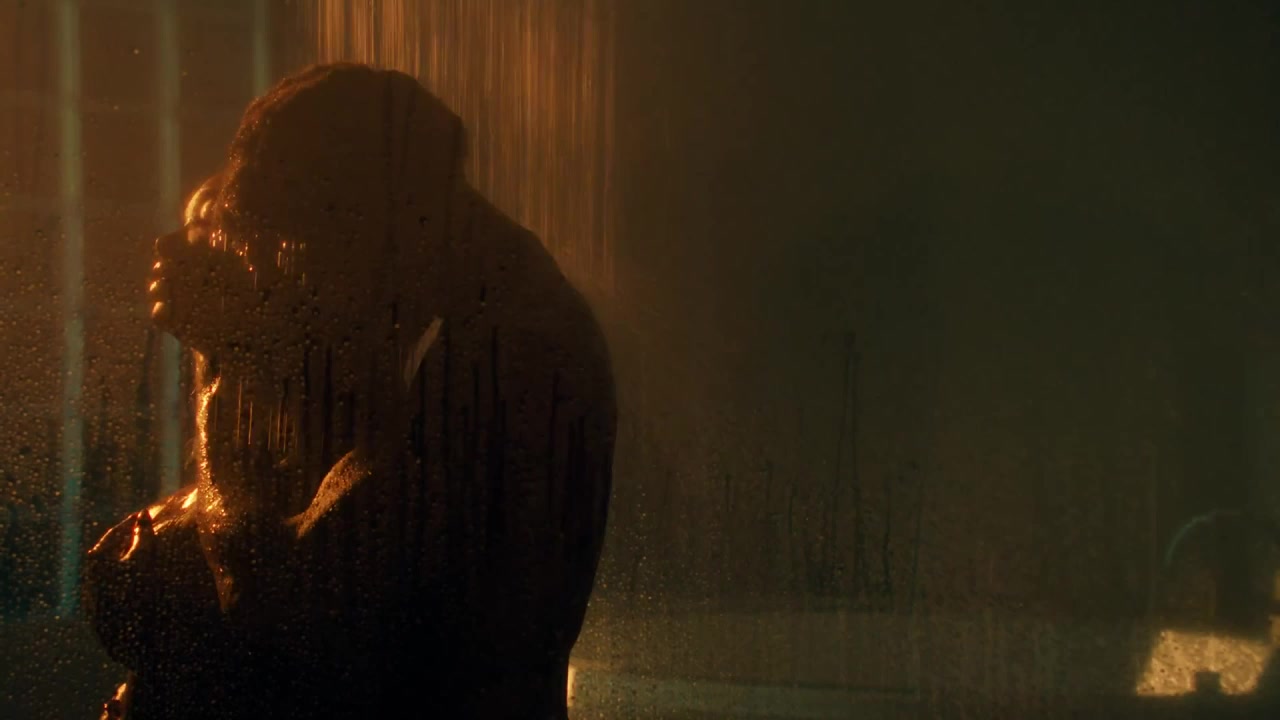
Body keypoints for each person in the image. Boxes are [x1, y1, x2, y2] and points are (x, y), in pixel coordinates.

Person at [83, 63, 616, 720]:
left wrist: (225, 361)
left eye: (286, 248)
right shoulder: (468, 313)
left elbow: (273, 606)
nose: (282, 281)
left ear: (361, 222)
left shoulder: (511, 362)